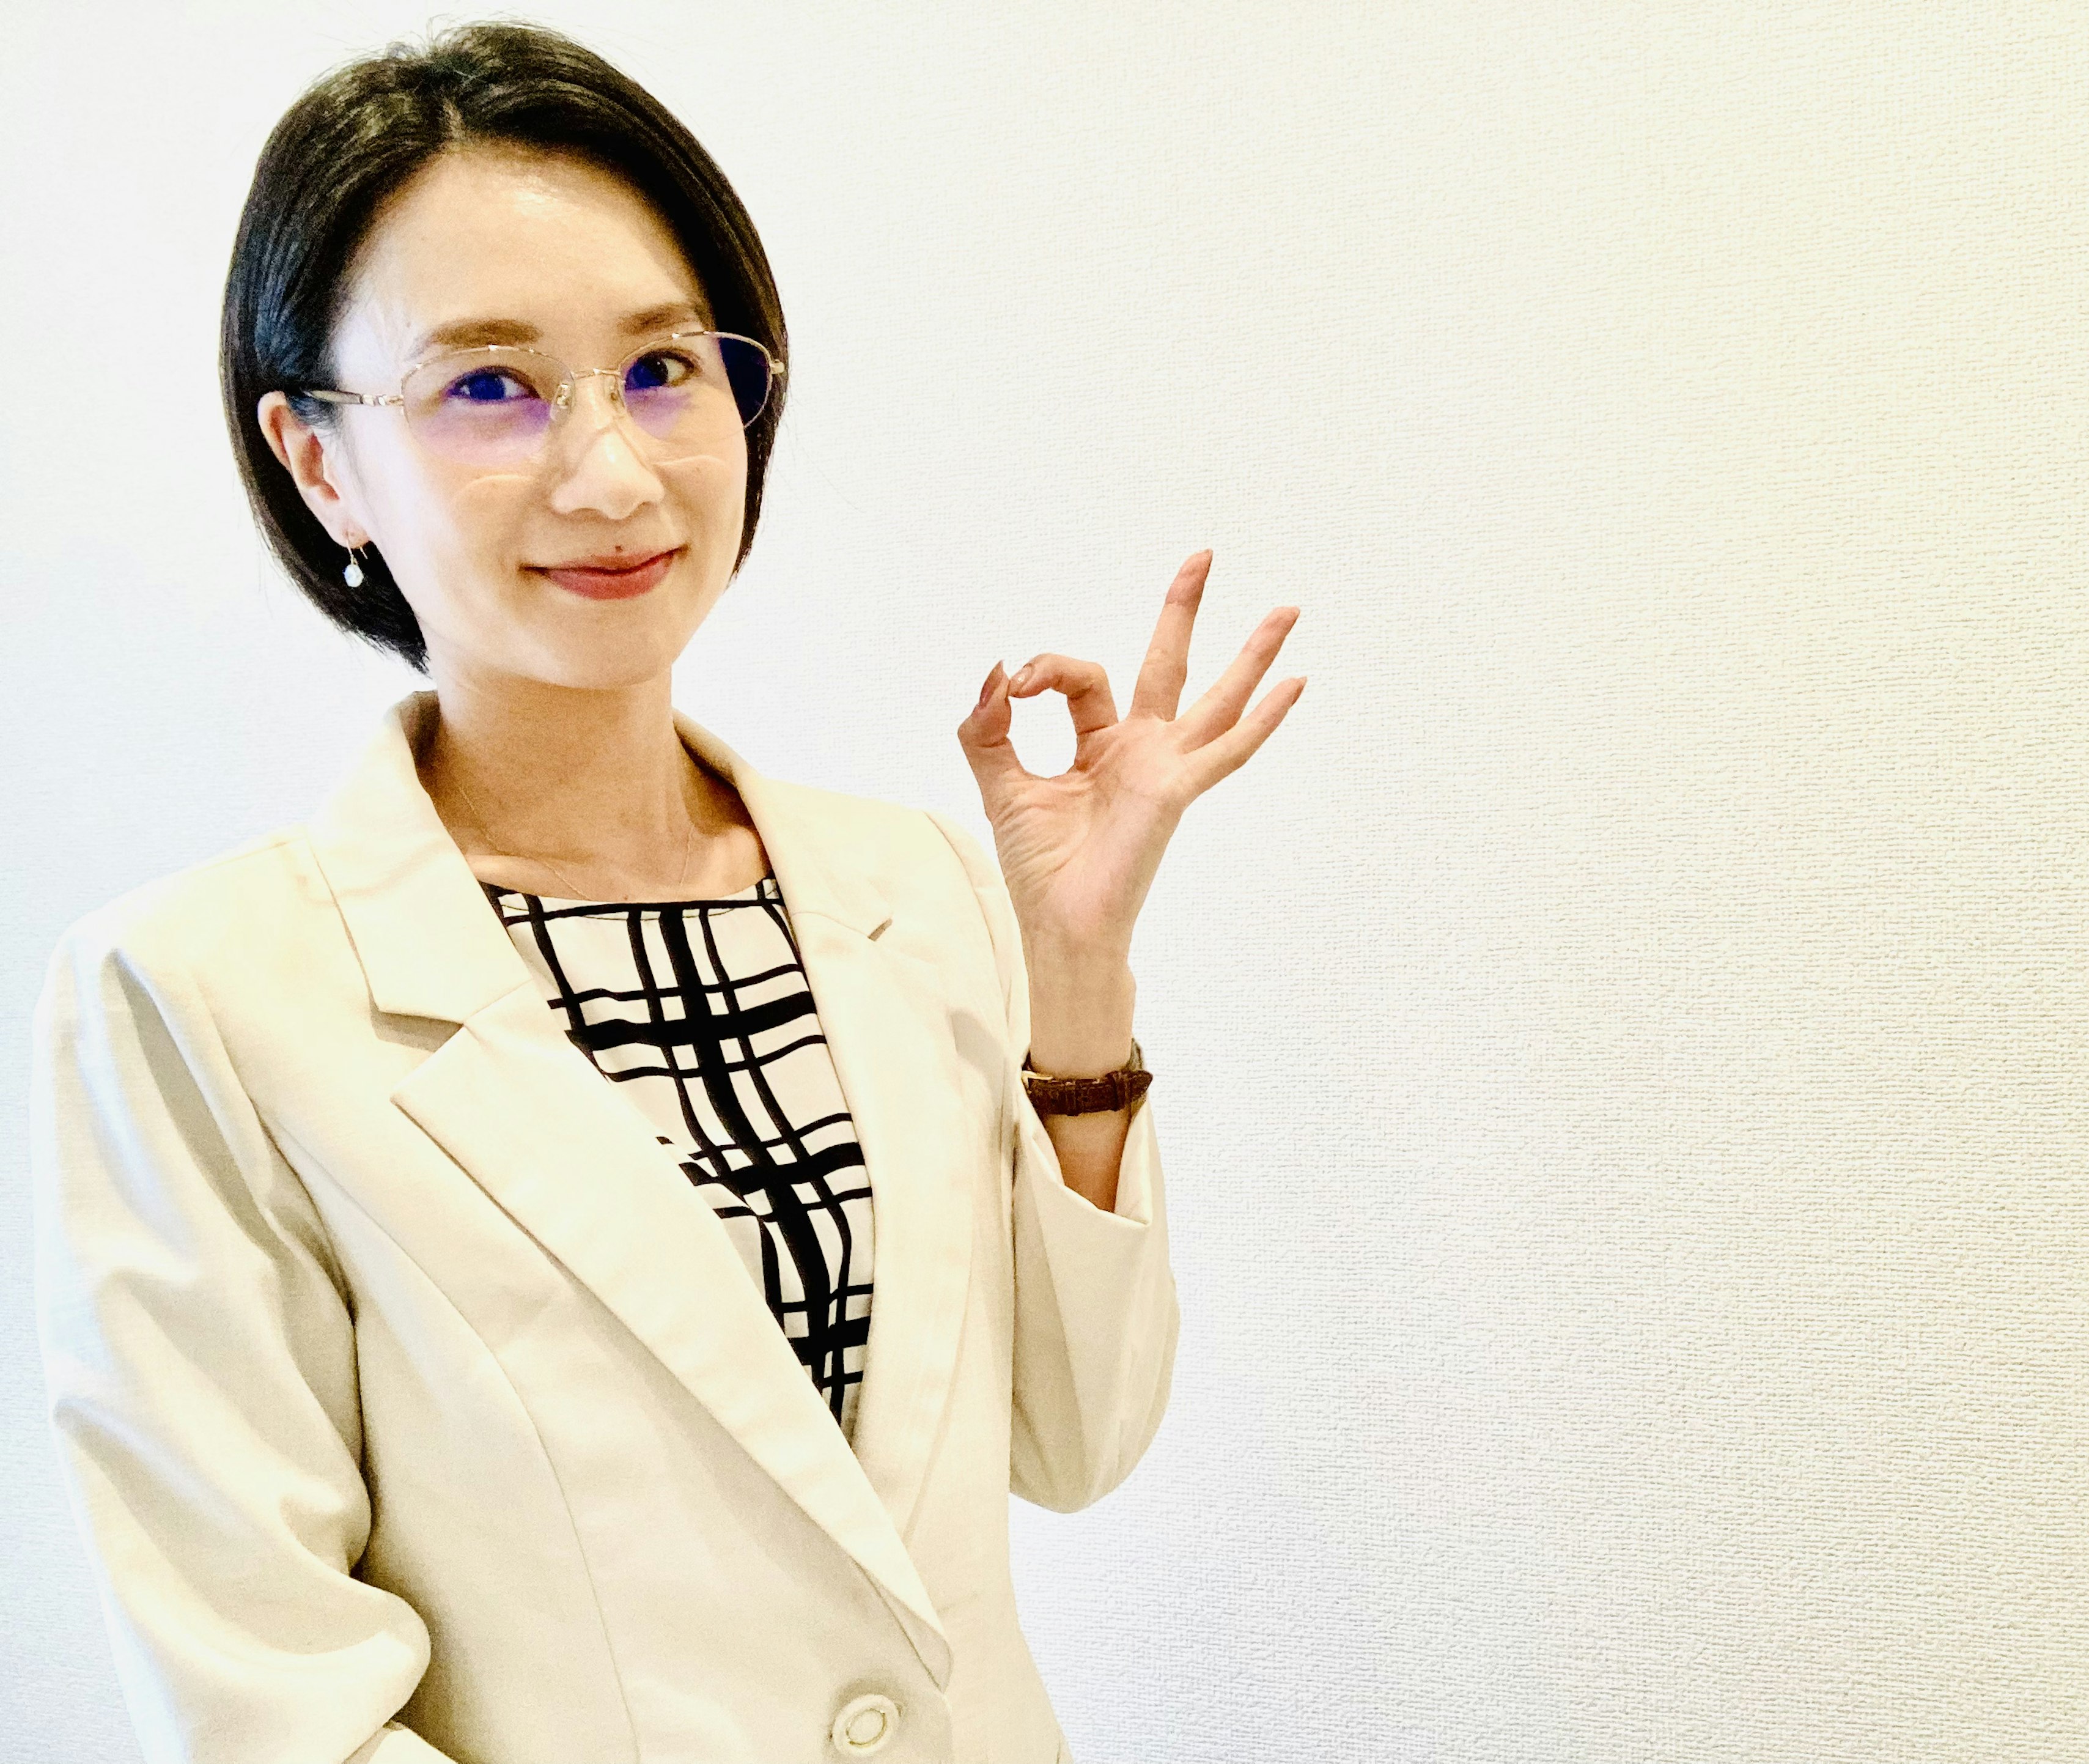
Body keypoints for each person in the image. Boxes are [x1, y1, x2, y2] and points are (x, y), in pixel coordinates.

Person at [27, 21, 1302, 1764]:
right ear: (323, 460)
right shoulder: (200, 994)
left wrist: (1076, 982)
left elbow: (1079, 1438)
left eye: (664, 368)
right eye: (487, 385)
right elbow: (265, 1697)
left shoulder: (904, 881)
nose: (614, 473)